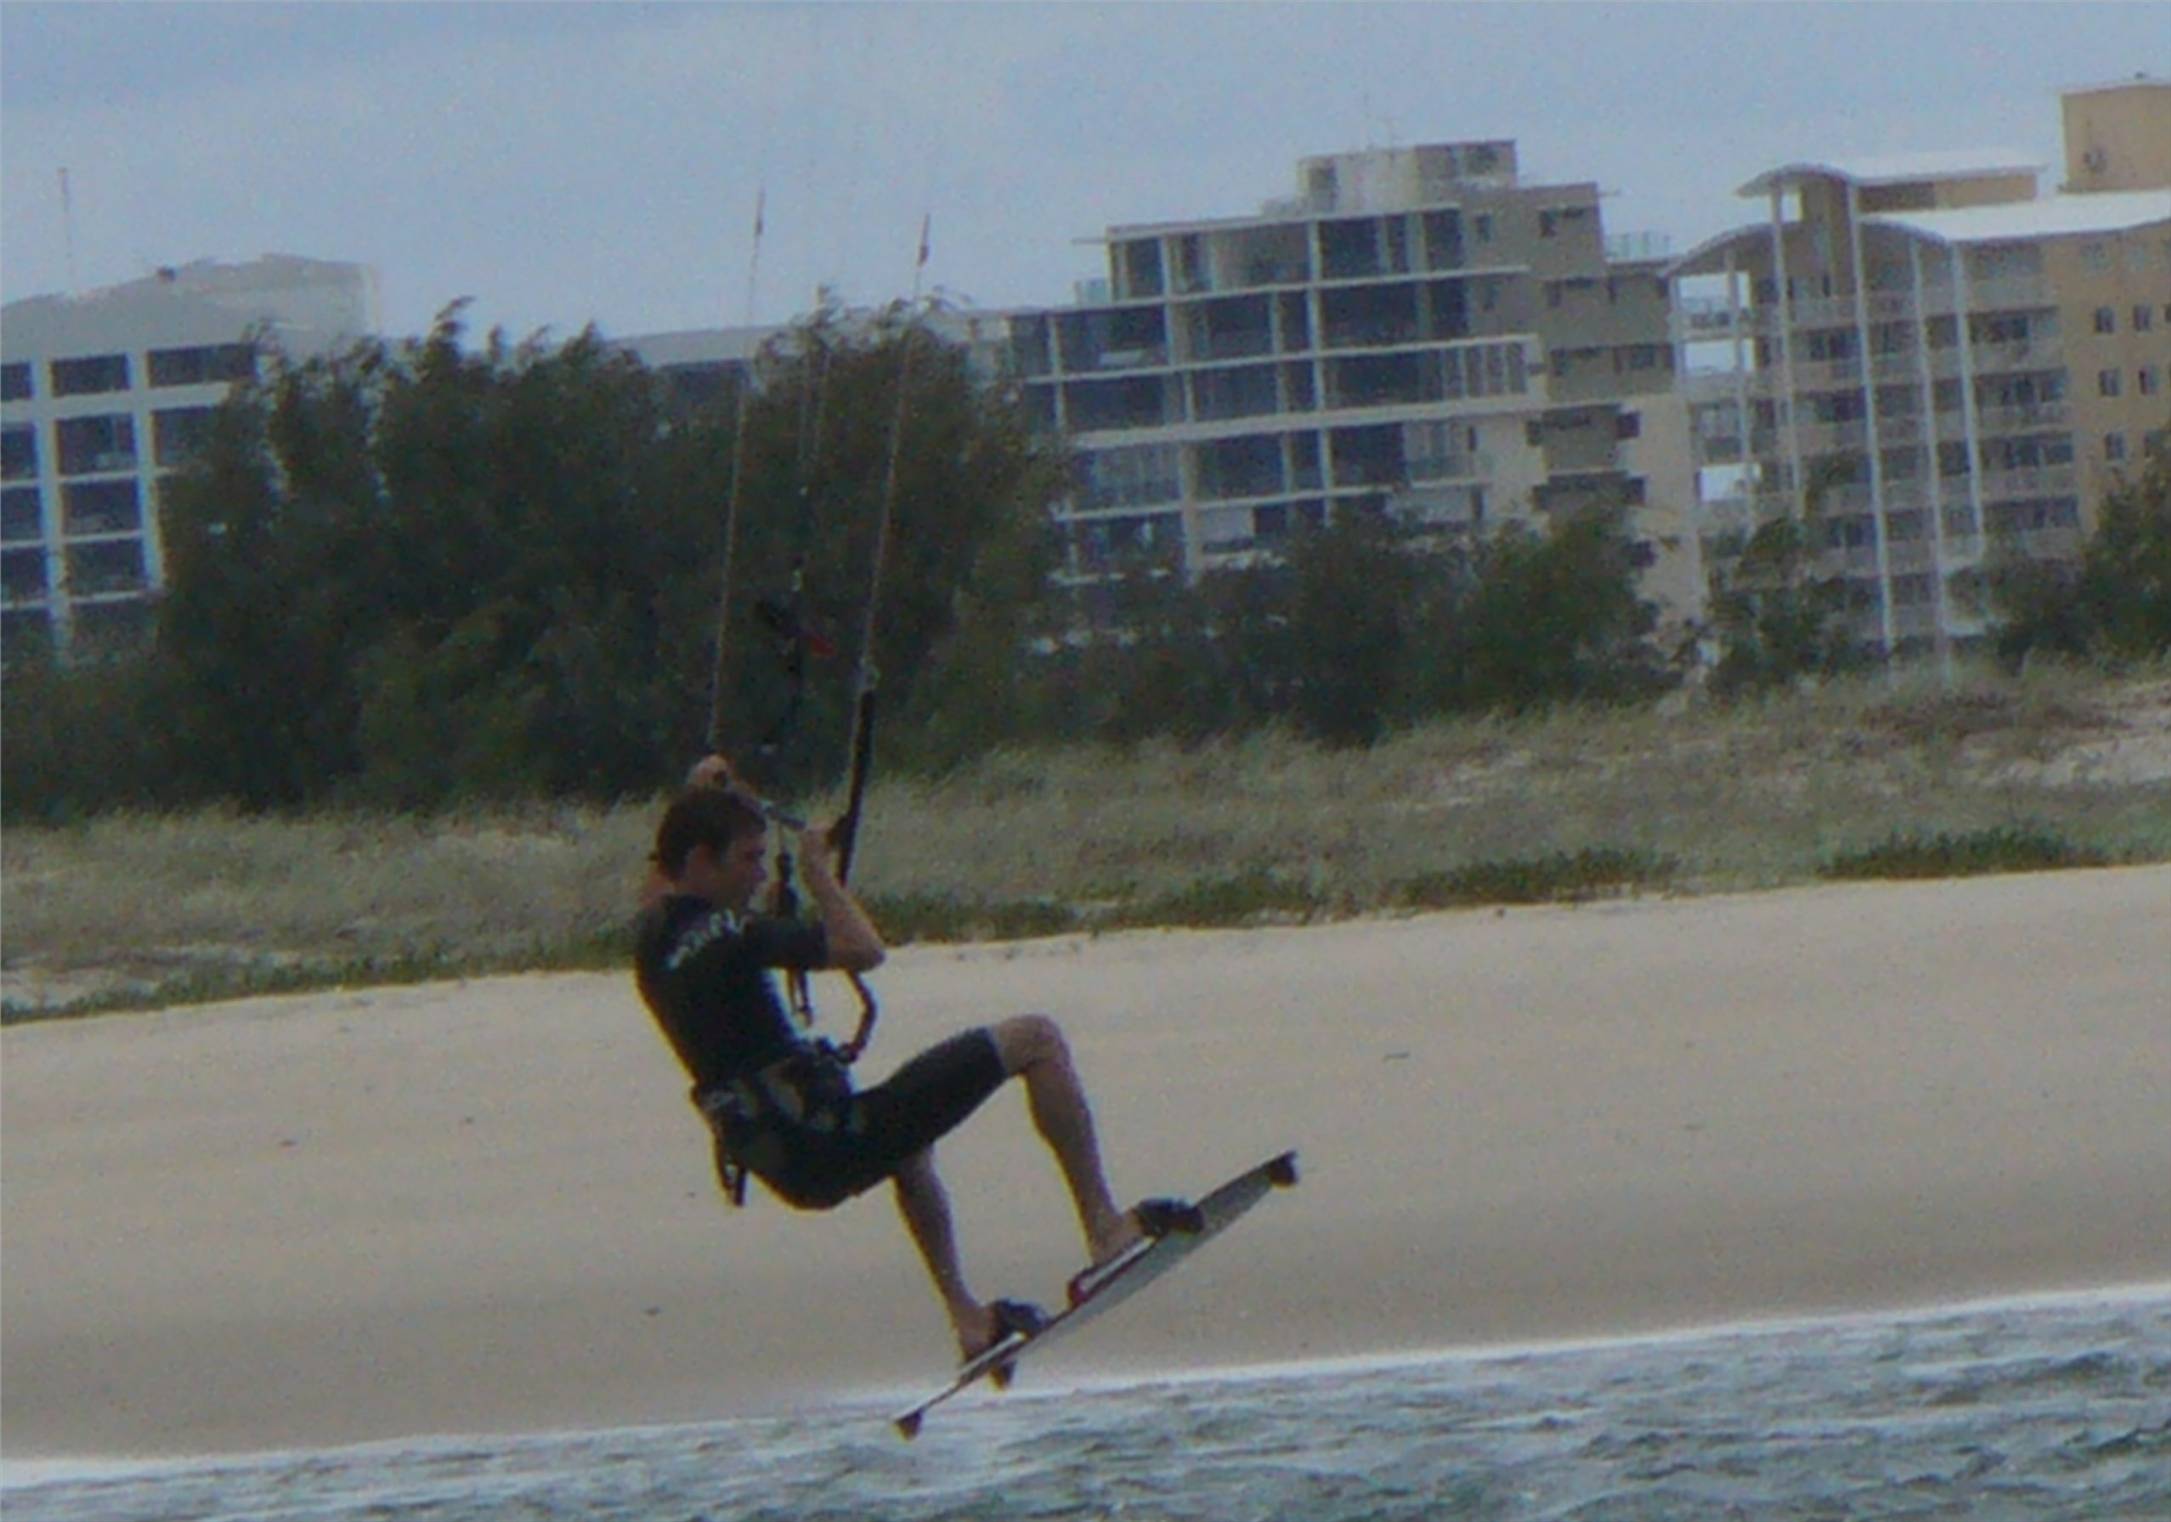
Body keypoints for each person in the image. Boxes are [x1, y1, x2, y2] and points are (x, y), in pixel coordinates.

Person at [633, 783, 1176, 1362]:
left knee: (908, 1145)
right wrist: (818, 871)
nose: (760, 877)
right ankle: (1104, 1227)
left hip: (785, 1162)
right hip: (832, 1136)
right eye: (749, 859)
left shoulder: (651, 938)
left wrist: (704, 788)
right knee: (1036, 1039)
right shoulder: (733, 934)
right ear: (700, 861)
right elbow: (863, 949)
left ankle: (968, 1319)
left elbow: (665, 868)